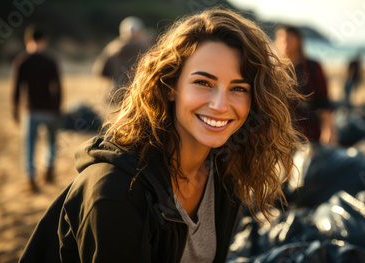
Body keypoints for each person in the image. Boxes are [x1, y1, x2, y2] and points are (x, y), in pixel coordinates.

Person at [20, 8, 302, 262]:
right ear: (170, 86)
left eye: (239, 88)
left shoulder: (225, 174)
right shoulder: (116, 193)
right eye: (203, 83)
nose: (220, 105)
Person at [12, 25, 62, 193]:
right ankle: (48, 171)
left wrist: (15, 110)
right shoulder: (50, 60)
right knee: (51, 143)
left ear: (27, 40)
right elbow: (58, 87)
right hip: (49, 110)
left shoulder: (22, 61)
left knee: (30, 146)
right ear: (44, 41)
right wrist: (57, 107)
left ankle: (31, 179)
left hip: (31, 111)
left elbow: (17, 88)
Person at [274, 24, 337, 145]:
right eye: (281, 40)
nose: (285, 44)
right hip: (284, 135)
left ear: (299, 41)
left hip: (312, 132)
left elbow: (323, 101)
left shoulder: (312, 67)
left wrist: (329, 131)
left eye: (289, 39)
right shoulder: (275, 70)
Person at [92, 16, 151, 103]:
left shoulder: (112, 47)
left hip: (116, 96)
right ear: (139, 31)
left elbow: (100, 72)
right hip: (138, 96)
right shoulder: (145, 48)